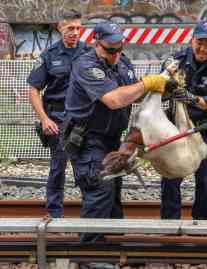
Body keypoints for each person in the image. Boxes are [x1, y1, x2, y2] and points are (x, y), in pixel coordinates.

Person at [64, 21, 174, 242]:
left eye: (119, 48)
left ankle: (113, 245)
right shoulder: (86, 65)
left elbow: (134, 93)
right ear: (96, 43)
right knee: (100, 190)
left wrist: (164, 88)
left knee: (113, 192)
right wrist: (149, 82)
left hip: (113, 139)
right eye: (110, 50)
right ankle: (89, 254)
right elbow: (114, 99)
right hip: (88, 140)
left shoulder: (122, 63)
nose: (115, 54)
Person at [160, 21, 207, 220]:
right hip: (177, 131)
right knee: (170, 178)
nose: (203, 48)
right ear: (192, 40)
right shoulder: (175, 61)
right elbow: (158, 92)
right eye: (199, 42)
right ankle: (168, 229)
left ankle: (201, 230)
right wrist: (167, 87)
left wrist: (192, 99)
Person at [27, 10, 91, 218]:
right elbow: (34, 89)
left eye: (78, 28)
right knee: (58, 168)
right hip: (58, 119)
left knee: (85, 168)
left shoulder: (89, 53)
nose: (74, 32)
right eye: (70, 28)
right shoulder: (49, 55)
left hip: (84, 120)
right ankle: (55, 215)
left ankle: (90, 214)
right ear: (59, 27)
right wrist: (44, 119)